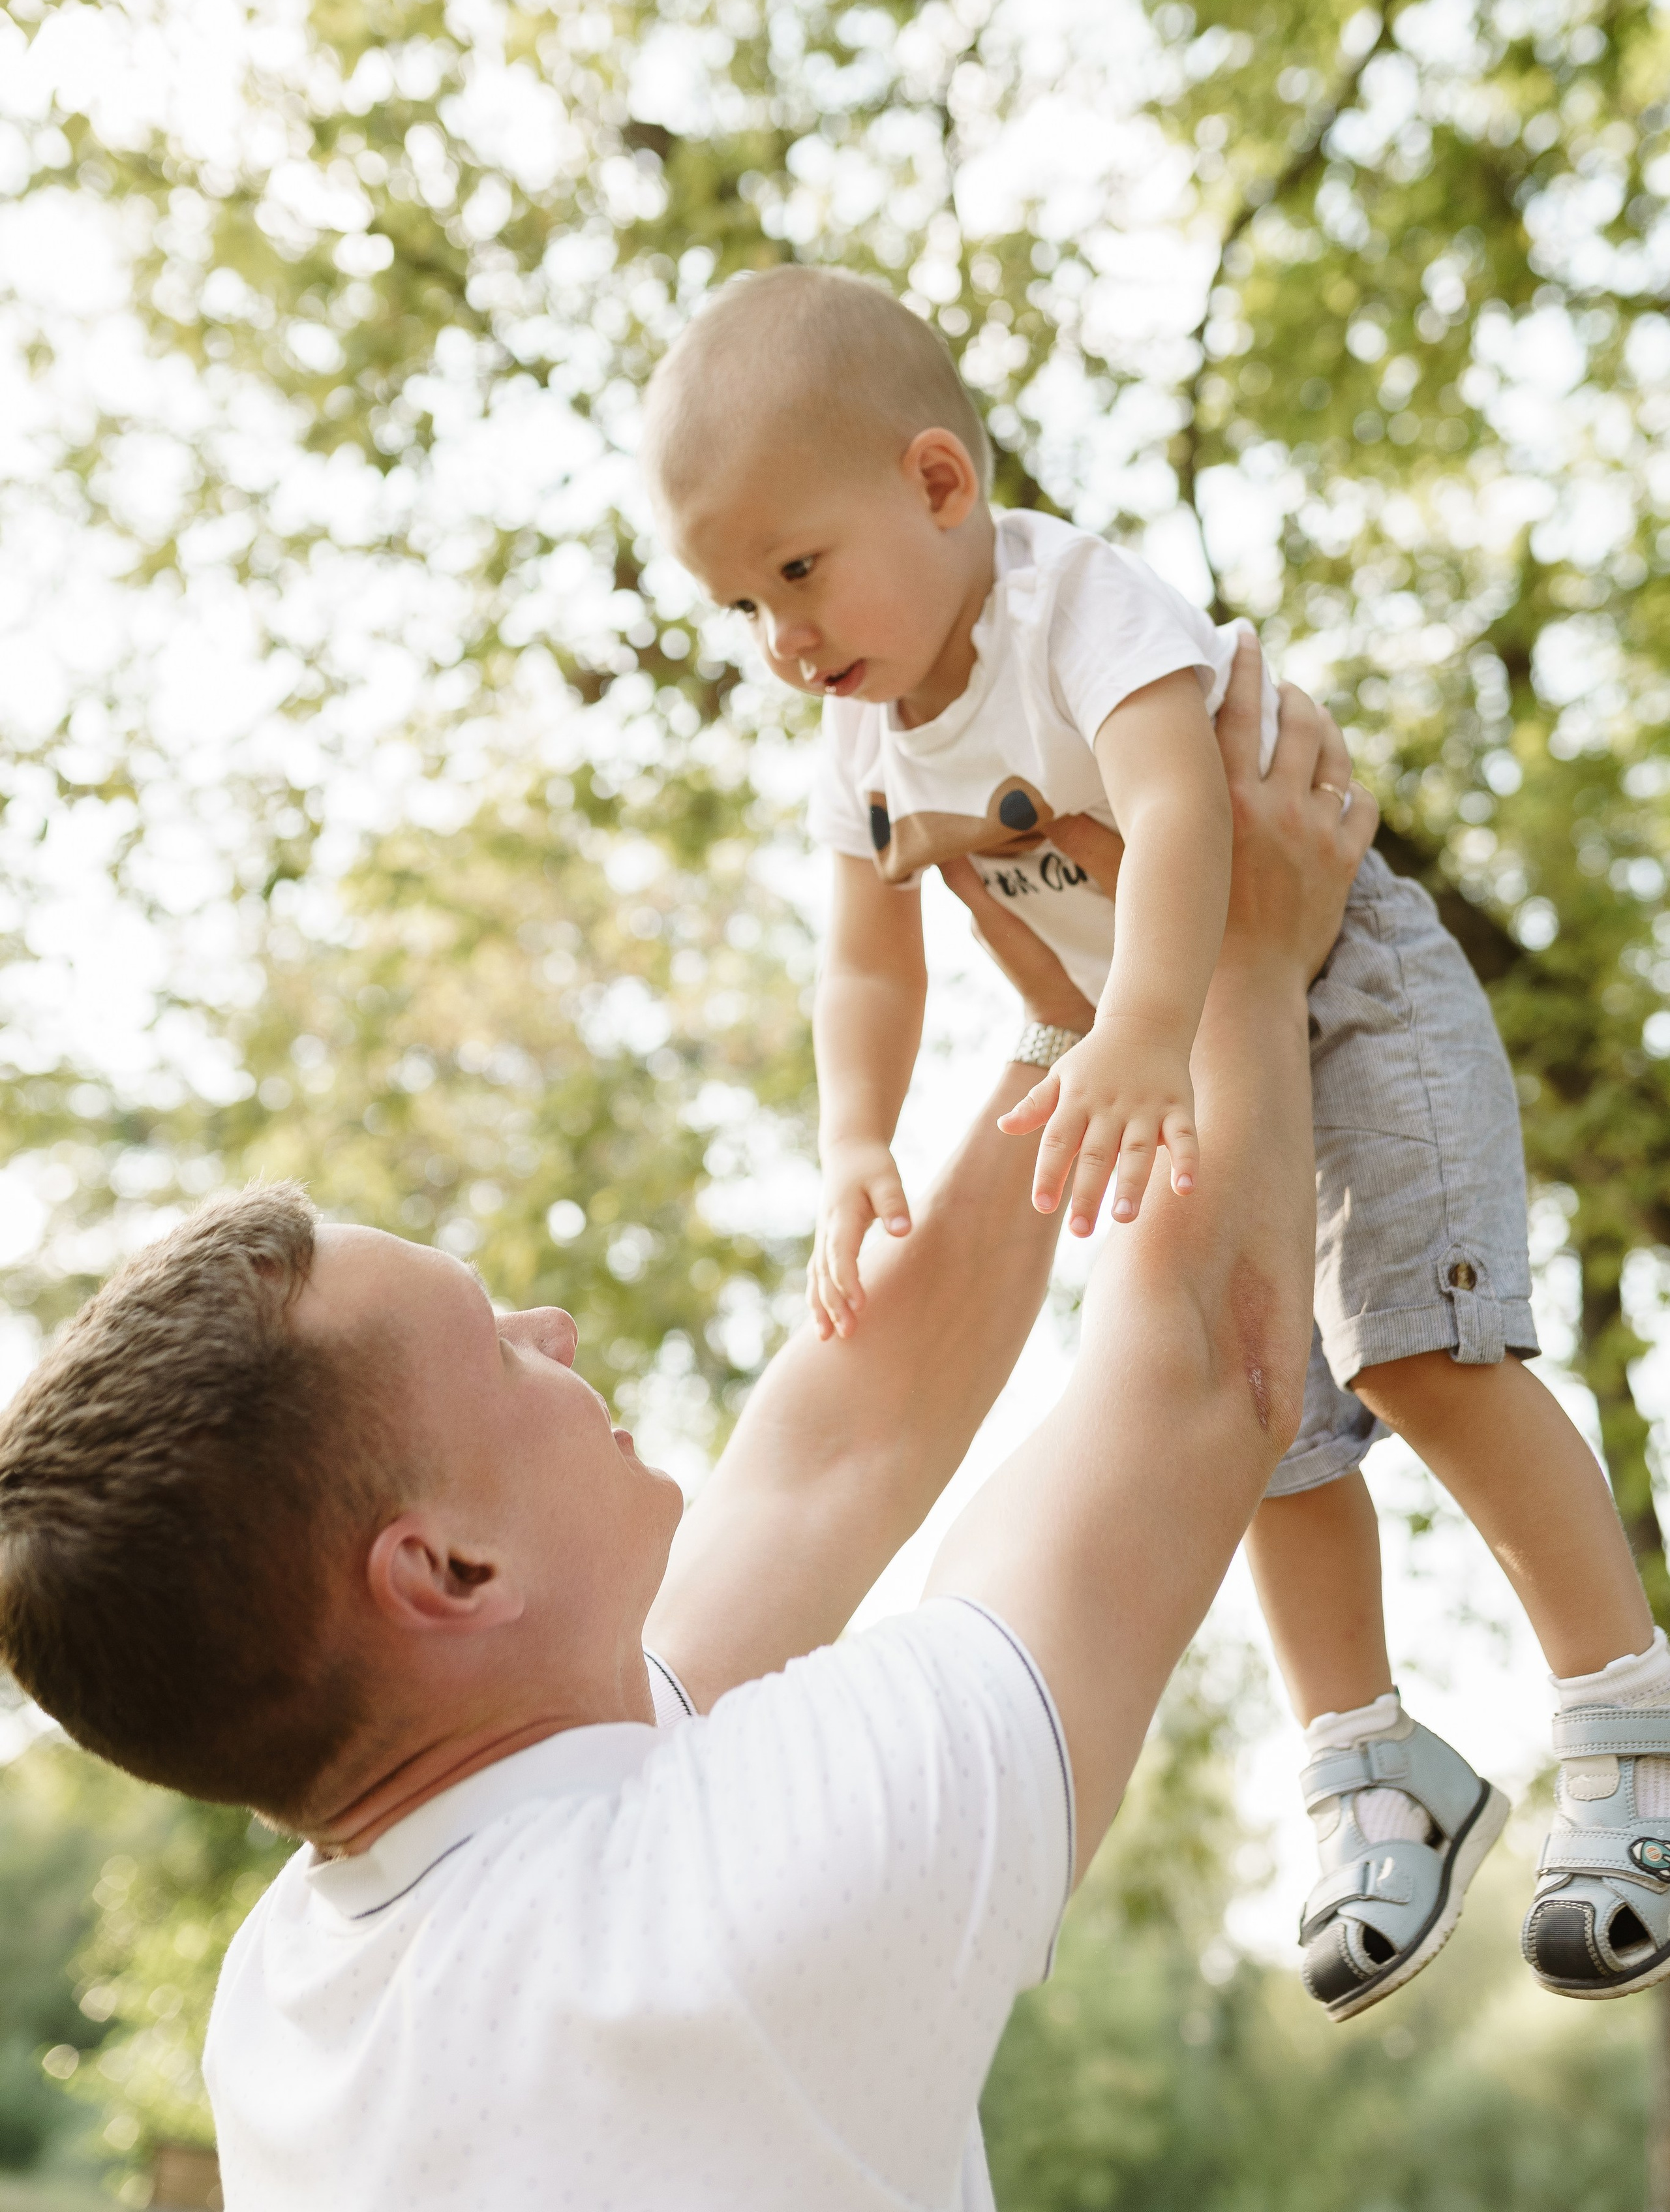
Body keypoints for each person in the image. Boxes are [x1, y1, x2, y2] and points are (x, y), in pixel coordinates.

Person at [1, 653, 1359, 2210]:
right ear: (443, 1571)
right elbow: (1204, 1377)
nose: (553, 1331)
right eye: (496, 1352)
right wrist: (1242, 960)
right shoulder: (748, 1905)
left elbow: (844, 1439)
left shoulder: (302, 1993)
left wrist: (1071, 1020)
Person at [644, 263, 1670, 2016]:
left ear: (942, 483)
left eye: (798, 570)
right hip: (1169, 1047)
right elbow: (863, 957)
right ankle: (1372, 1767)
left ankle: (1626, 1713)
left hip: (1343, 997)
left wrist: (1128, 1027)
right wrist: (851, 1148)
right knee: (1248, 1417)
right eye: (743, 604)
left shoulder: (1075, 605)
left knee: (1419, 1352)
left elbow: (1191, 813)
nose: (785, 639)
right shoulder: (863, 737)